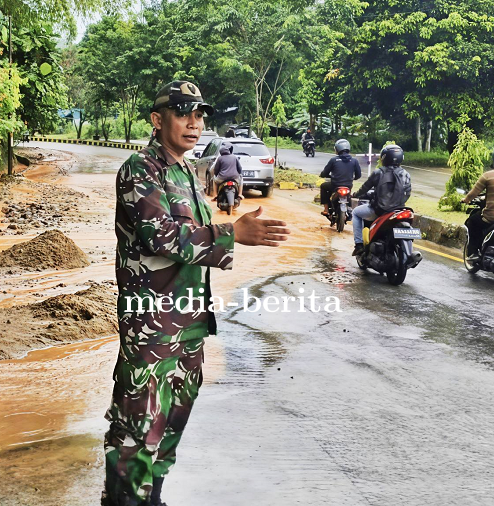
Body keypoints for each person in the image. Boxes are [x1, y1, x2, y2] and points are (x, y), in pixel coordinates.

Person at [104, 80, 290, 506]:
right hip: (150, 331)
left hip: (186, 327)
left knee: (169, 427)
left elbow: (191, 237)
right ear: (157, 120)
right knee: (135, 433)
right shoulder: (140, 170)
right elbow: (161, 236)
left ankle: (153, 497)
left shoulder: (188, 170)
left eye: (200, 114)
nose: (194, 122)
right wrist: (232, 233)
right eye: (183, 112)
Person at [351, 144, 412, 256]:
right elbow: (407, 193)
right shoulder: (406, 174)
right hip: (399, 210)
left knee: (355, 213)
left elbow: (364, 189)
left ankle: (358, 245)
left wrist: (355, 194)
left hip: (380, 211)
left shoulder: (378, 172)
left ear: (384, 157)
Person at [319, 139, 362, 217]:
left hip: (335, 185)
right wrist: (353, 178)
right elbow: (358, 175)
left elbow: (325, 172)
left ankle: (326, 209)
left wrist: (323, 175)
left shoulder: (333, 160)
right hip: (348, 185)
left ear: (337, 149)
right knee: (349, 195)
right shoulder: (354, 161)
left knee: (323, 186)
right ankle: (349, 208)